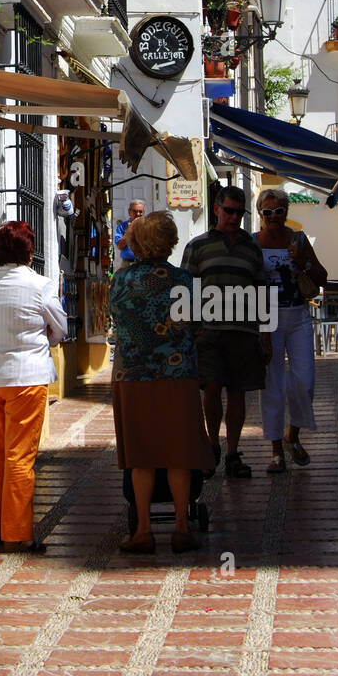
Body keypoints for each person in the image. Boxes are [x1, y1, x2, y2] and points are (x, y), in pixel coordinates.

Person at [109, 212, 214, 554]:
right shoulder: (184, 281)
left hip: (133, 376)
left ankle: (143, 530)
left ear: (138, 244)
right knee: (178, 452)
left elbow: (117, 320)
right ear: (170, 242)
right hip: (177, 375)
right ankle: (181, 528)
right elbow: (197, 328)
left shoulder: (121, 280)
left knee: (141, 455)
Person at [0, 221, 68, 553]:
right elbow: (60, 328)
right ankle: (18, 533)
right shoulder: (40, 285)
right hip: (26, 379)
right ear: (30, 252)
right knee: (20, 457)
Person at [181, 185, 271, 479]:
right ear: (217, 209)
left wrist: (265, 334)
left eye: (239, 212)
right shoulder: (197, 246)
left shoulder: (251, 247)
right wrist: (189, 332)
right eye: (229, 211)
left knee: (238, 392)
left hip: (244, 332)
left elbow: (261, 291)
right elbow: (187, 290)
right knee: (211, 387)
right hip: (208, 331)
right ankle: (211, 445)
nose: (234, 217)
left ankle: (232, 452)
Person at [253, 188, 327, 473]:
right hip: (267, 318)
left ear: (286, 211)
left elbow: (321, 277)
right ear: (260, 214)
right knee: (271, 386)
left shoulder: (298, 239)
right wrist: (260, 330)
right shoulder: (253, 242)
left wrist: (302, 262)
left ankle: (292, 435)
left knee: (304, 382)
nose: (273, 217)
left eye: (278, 211)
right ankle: (275, 452)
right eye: (267, 212)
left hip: (297, 316)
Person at [115, 200, 145, 265]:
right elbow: (120, 246)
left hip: (144, 263)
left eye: (140, 211)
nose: (138, 214)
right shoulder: (122, 227)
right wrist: (130, 229)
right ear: (129, 212)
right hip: (127, 263)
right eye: (135, 211)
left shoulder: (147, 226)